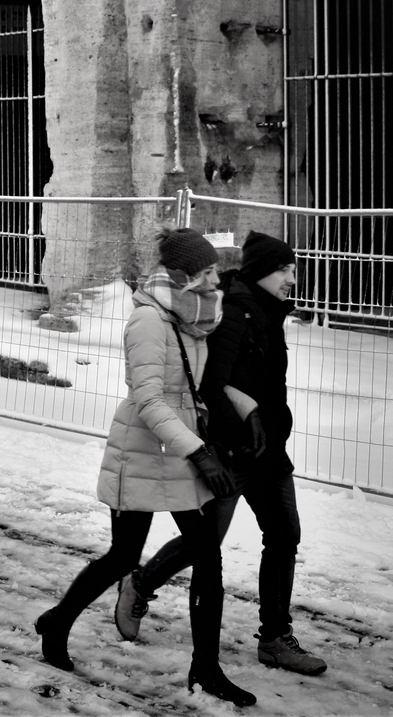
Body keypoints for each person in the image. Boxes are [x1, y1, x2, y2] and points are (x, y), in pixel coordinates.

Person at [35, 228, 255, 707]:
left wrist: (245, 408)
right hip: (143, 450)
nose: (217, 278)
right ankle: (57, 622)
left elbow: (197, 389)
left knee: (208, 556)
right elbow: (150, 400)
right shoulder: (150, 322)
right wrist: (198, 452)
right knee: (122, 557)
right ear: (185, 275)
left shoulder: (195, 319)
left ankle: (206, 671)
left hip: (178, 449)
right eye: (210, 270)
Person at [116, 232, 326, 677]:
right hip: (233, 451)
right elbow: (213, 386)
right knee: (204, 545)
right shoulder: (233, 313)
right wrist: (235, 434)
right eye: (286, 270)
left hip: (268, 451)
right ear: (263, 271)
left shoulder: (269, 312)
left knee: (284, 535)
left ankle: (274, 638)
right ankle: (139, 583)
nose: (294, 278)